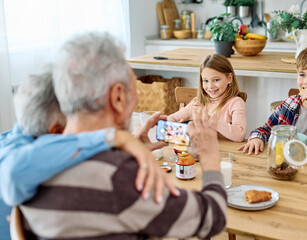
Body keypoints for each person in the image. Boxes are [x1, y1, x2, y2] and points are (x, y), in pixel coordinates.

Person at [20, 32, 226, 239]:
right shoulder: (121, 178)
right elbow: (212, 218)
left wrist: (126, 149)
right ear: (118, 96)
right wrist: (210, 156)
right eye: (132, 87)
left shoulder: (27, 164)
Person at [0, 69, 176, 240]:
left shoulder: (24, 139)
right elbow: (14, 173)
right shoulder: (14, 161)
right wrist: (114, 137)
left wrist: (133, 144)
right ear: (56, 132)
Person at [167, 54, 247, 142]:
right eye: (205, 81)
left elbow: (240, 135)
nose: (210, 86)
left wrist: (208, 119)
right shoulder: (197, 102)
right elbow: (171, 119)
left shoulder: (236, 103)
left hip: (223, 152)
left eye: (216, 80)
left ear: (229, 78)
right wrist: (179, 127)